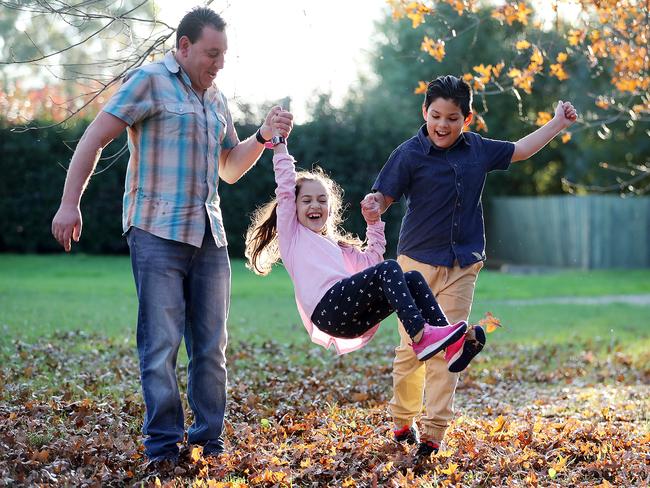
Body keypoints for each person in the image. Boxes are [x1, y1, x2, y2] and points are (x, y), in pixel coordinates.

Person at [51, 7, 293, 464]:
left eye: (224, 55)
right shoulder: (149, 81)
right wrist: (70, 202)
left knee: (211, 349)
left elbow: (229, 169)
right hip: (156, 232)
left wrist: (261, 136)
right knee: (161, 345)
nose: (218, 63)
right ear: (183, 47)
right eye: (211, 53)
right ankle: (162, 446)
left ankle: (208, 442)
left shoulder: (216, 98)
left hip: (209, 237)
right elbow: (94, 138)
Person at [362, 75, 578, 458]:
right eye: (436, 116)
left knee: (449, 347)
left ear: (468, 119)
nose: (442, 125)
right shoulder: (410, 153)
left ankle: (432, 434)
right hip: (415, 266)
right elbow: (385, 194)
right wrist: (374, 204)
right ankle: (402, 420)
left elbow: (522, 150)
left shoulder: (477, 149)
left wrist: (558, 122)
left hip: (463, 264)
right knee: (412, 350)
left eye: (452, 118)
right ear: (424, 113)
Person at [244, 122, 487, 371]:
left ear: (330, 207)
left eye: (321, 200)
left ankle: (451, 346)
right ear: (293, 208)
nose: (314, 205)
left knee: (411, 278)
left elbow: (373, 263)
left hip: (351, 317)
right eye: (306, 200)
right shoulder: (292, 236)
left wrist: (373, 222)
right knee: (390, 269)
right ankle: (421, 336)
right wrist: (279, 146)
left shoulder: (336, 247)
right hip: (329, 310)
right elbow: (285, 188)